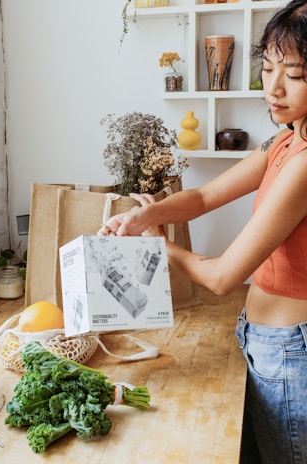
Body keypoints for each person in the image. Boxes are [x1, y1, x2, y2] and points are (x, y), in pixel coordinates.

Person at [98, 1, 307, 463]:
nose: (272, 87)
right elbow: (204, 197)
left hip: (291, 353)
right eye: (268, 68)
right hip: (267, 342)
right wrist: (145, 216)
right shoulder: (287, 140)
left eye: (293, 75)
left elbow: (222, 278)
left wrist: (160, 248)